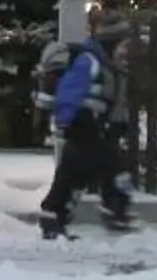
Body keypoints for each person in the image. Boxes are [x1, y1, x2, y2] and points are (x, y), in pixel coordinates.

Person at [38, 18, 138, 240]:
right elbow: (69, 92)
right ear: (111, 43)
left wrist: (117, 124)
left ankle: (53, 216)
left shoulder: (110, 66)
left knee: (73, 175)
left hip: (92, 127)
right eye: (123, 45)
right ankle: (115, 210)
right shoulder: (89, 61)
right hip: (81, 126)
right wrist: (67, 122)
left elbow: (111, 102)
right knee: (114, 167)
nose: (126, 50)